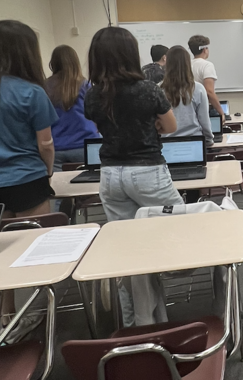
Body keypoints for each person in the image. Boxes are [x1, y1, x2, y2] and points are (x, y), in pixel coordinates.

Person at [0, 20, 57, 332]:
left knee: (1, 250)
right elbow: (45, 143)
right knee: (35, 249)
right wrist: (47, 172)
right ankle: (37, 312)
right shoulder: (32, 91)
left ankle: (7, 317)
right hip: (26, 177)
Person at [84, 27, 180, 325]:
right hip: (147, 171)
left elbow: (103, 127)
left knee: (129, 253)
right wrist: (151, 128)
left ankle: (136, 323)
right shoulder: (147, 89)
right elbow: (171, 126)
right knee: (191, 227)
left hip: (110, 175)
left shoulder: (93, 94)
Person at [45, 44, 98, 170]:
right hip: (85, 146)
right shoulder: (86, 85)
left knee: (60, 188)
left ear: (53, 63)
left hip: (56, 148)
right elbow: (96, 116)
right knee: (89, 186)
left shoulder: (44, 87)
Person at [161, 45, 214, 146]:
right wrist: (209, 139)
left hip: (167, 144)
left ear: (167, 64)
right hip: (195, 142)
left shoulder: (158, 89)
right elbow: (204, 120)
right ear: (187, 64)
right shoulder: (198, 88)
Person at [188, 34, 226, 120]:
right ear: (205, 49)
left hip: (189, 109)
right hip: (203, 109)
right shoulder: (207, 65)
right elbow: (209, 92)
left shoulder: (187, 64)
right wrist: (221, 113)